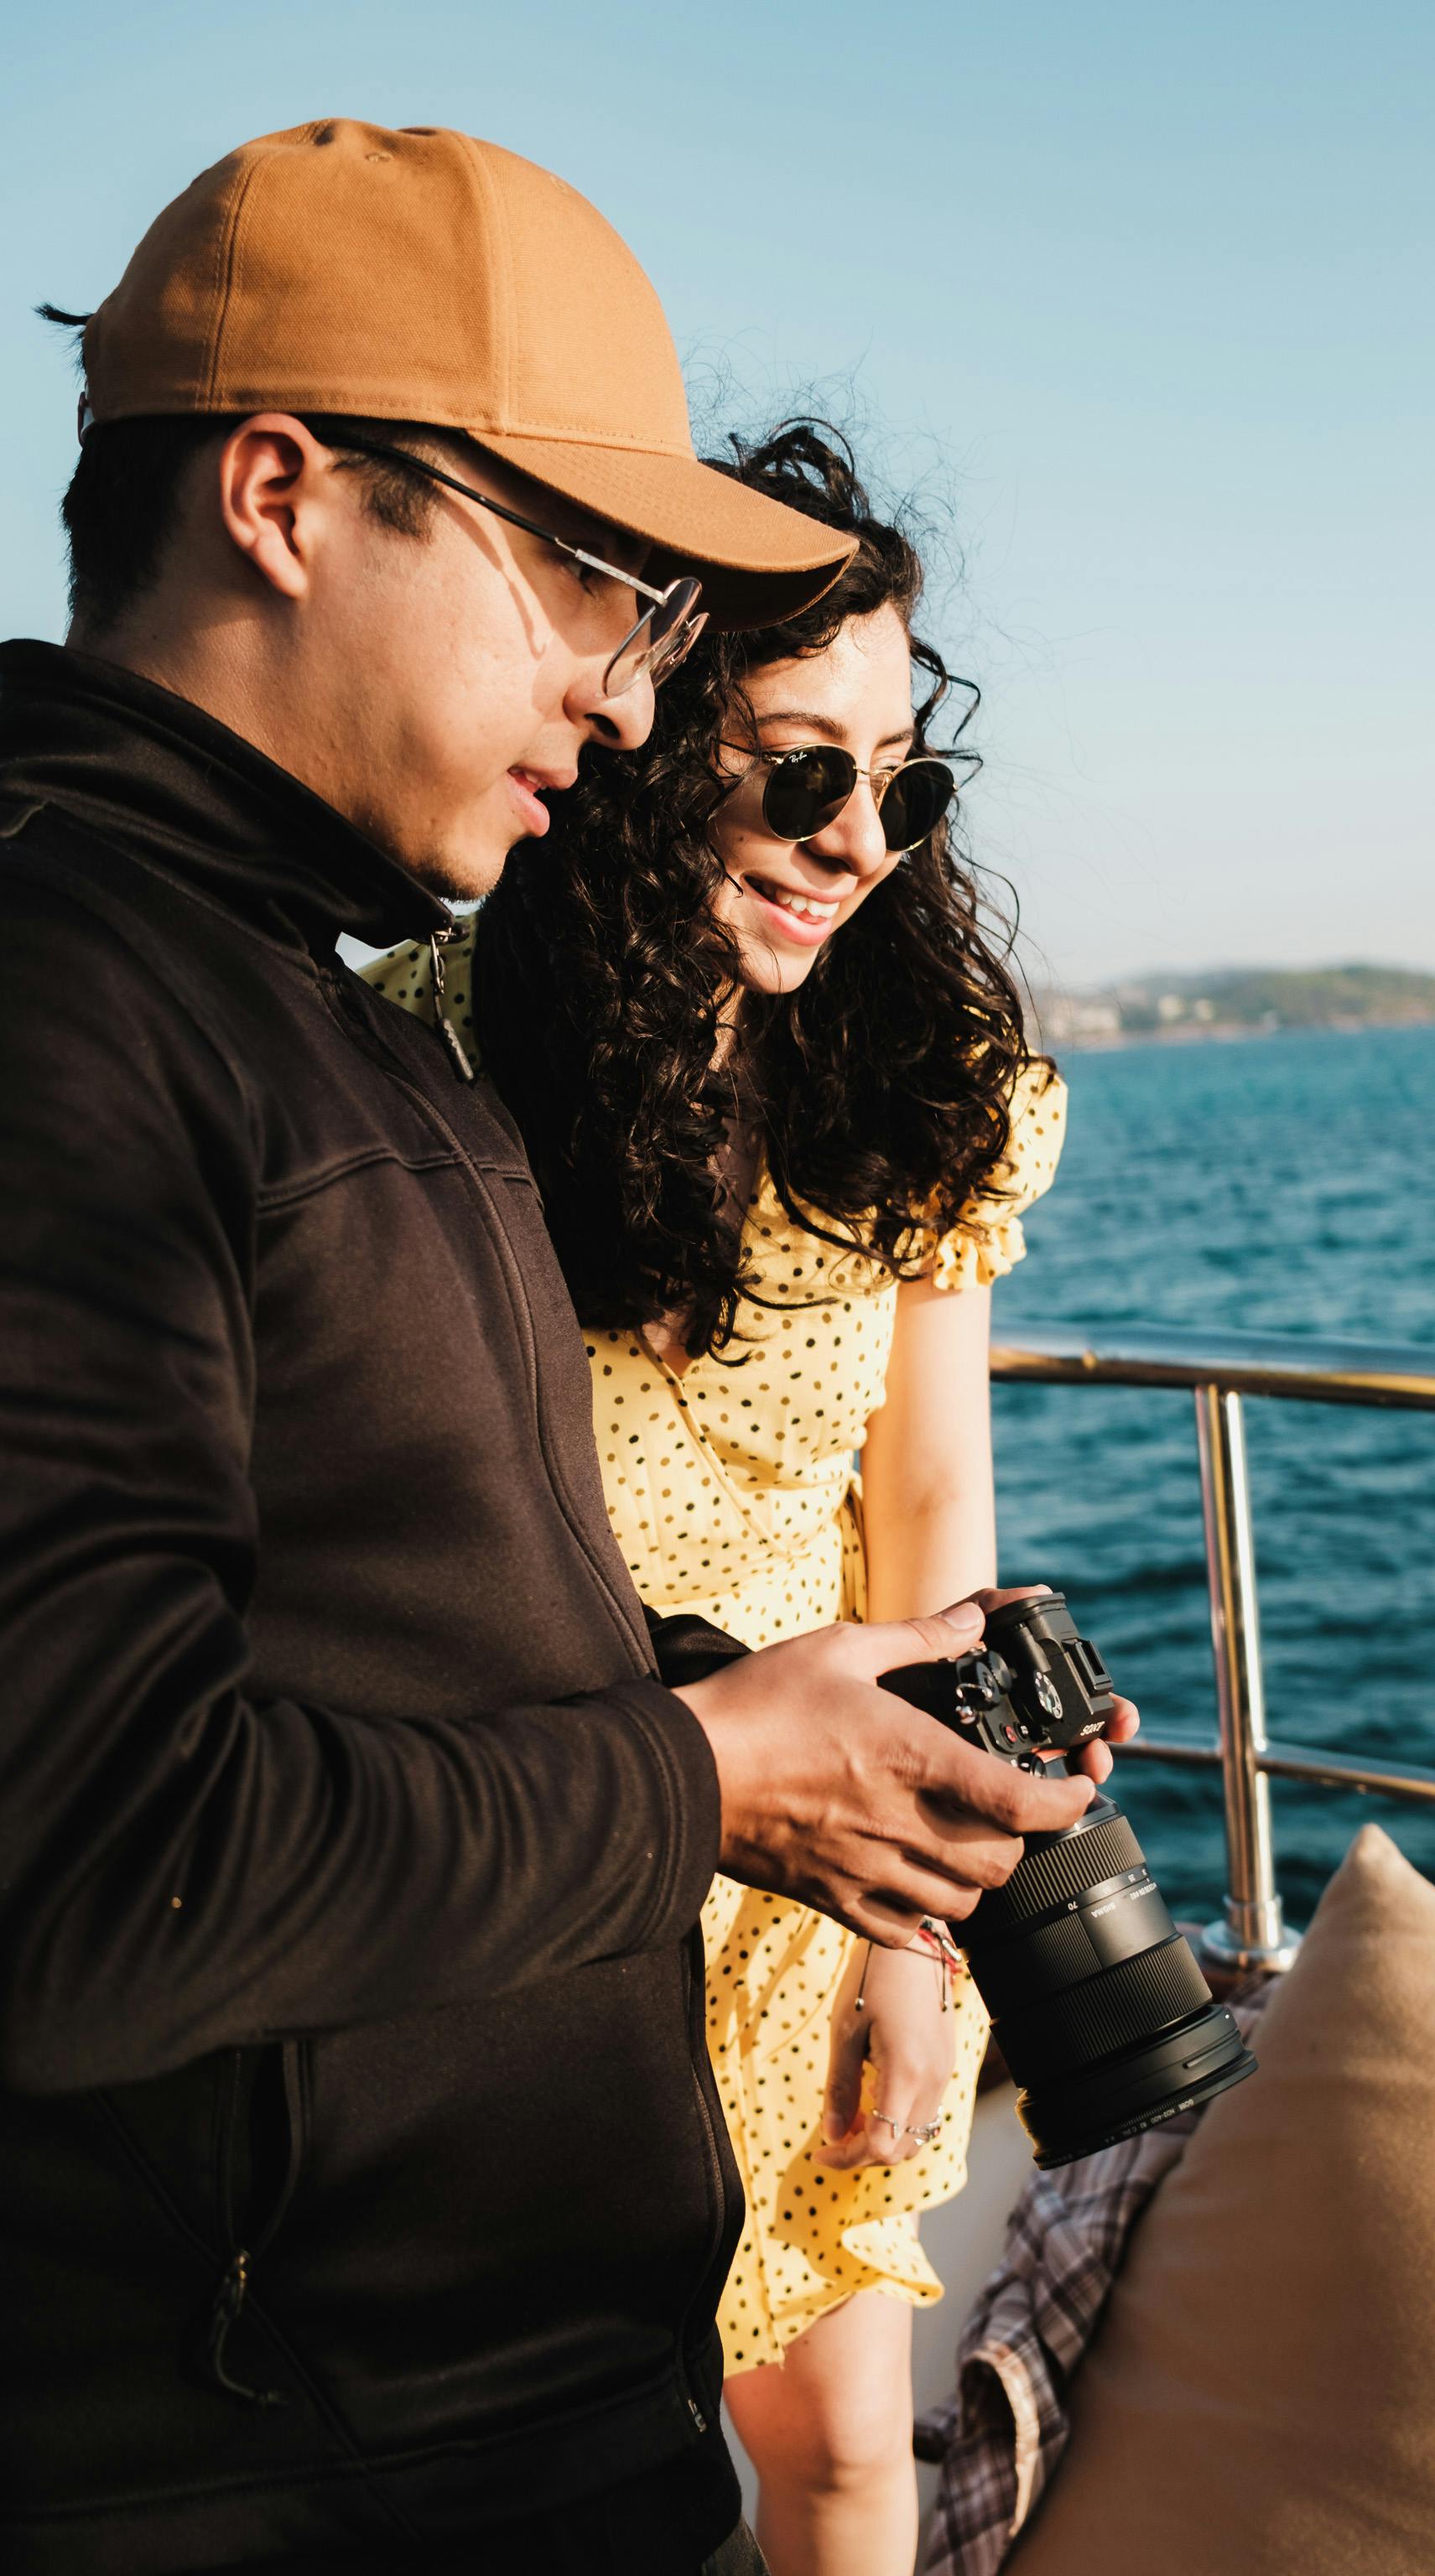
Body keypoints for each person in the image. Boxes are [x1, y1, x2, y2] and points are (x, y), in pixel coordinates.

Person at [0, 122, 1130, 2576]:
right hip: (307, 2466)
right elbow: (80, 1867)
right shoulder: (74, 1006)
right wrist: (710, 1770)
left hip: (501, 2414)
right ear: (285, 493)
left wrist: (807, 1727)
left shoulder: (318, 1029)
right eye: (581, 582)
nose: (620, 700)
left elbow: (411, 1613)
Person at [365, 423, 1070, 2576]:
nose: (853, 838)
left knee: (850, 2455)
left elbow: (931, 1512)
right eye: (795, 767)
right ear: (654, 735)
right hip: (550, 1846)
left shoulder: (922, 1097)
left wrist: (917, 1948)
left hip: (820, 1877)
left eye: (899, 781)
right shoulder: (417, 1053)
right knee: (564, 2476)